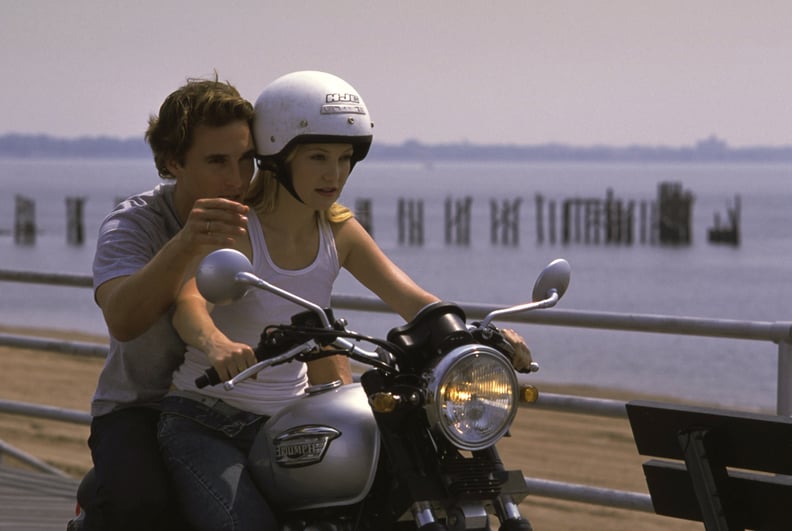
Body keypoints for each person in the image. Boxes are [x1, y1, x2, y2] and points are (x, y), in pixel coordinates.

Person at [157, 70, 534, 530]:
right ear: (277, 156)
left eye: (344, 158)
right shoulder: (241, 229)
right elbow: (189, 302)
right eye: (317, 156)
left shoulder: (339, 230)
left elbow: (414, 300)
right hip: (207, 421)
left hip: (289, 423)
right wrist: (215, 344)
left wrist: (480, 338)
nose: (333, 173)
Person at [82, 75, 255, 531]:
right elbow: (122, 319)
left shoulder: (264, 210)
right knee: (146, 509)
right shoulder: (133, 224)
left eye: (247, 159)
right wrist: (186, 243)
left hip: (231, 407)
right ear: (173, 161)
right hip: (138, 406)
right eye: (218, 161)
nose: (237, 180)